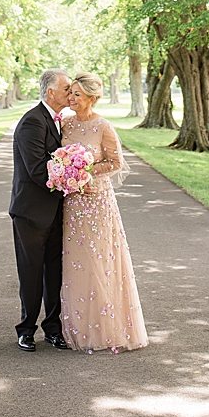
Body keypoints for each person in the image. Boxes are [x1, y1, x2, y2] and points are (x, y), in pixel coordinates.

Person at [59, 72, 148, 353]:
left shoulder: (102, 126)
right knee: (76, 265)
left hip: (98, 204)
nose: (71, 98)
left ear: (92, 98)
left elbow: (115, 163)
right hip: (72, 204)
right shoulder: (65, 124)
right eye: (70, 93)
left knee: (100, 262)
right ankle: (76, 327)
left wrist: (84, 173)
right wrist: (66, 174)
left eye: (77, 95)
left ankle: (107, 329)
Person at [9, 68, 74, 352]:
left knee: (54, 273)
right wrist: (73, 174)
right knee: (31, 273)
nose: (70, 93)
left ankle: (53, 329)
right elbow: (37, 170)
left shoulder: (60, 121)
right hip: (31, 212)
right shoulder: (32, 122)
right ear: (51, 92)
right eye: (66, 89)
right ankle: (26, 330)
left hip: (56, 211)